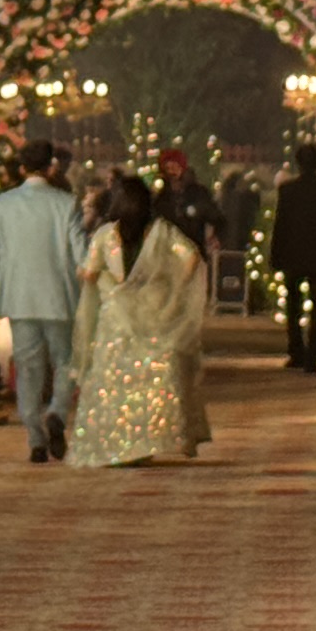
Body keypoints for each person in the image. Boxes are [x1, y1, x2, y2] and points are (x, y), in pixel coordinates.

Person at [72, 174, 209, 468]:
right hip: (156, 313)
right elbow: (191, 258)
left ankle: (120, 443)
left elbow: (91, 273)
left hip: (117, 321)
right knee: (151, 381)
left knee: (116, 383)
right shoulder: (161, 232)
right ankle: (147, 439)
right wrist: (172, 286)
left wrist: (88, 276)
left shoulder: (106, 235)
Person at [0, 137, 86, 463]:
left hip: (19, 296)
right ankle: (56, 411)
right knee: (64, 361)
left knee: (28, 368)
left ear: (21, 167)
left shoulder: (2, 205)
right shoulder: (66, 203)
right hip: (59, 296)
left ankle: (35, 437)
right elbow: (80, 254)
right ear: (51, 167)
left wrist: (0, 294)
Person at [267, 141, 316, 370]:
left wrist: (276, 255)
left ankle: (296, 352)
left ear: (298, 163)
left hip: (293, 253)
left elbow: (280, 224)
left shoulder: (287, 190)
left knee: (293, 306)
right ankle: (314, 355)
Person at [216, 158, 265, 310]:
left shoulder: (226, 200)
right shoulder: (247, 198)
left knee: (229, 270)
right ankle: (242, 298)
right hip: (243, 241)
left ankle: (227, 297)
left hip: (228, 243)